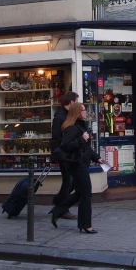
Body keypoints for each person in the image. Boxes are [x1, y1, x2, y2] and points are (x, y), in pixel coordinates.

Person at [52, 103, 104, 233]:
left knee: (82, 192)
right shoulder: (72, 128)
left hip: (82, 163)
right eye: (83, 110)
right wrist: (81, 139)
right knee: (86, 193)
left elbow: (86, 149)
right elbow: (66, 146)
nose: (86, 112)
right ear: (77, 112)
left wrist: (97, 158)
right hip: (76, 165)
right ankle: (86, 225)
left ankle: (58, 210)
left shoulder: (81, 127)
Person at [49, 91, 79, 222]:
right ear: (71, 102)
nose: (77, 104)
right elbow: (55, 137)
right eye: (76, 101)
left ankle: (59, 201)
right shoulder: (60, 117)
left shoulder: (70, 115)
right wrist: (57, 154)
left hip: (71, 154)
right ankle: (62, 209)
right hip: (64, 154)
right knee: (69, 182)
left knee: (71, 182)